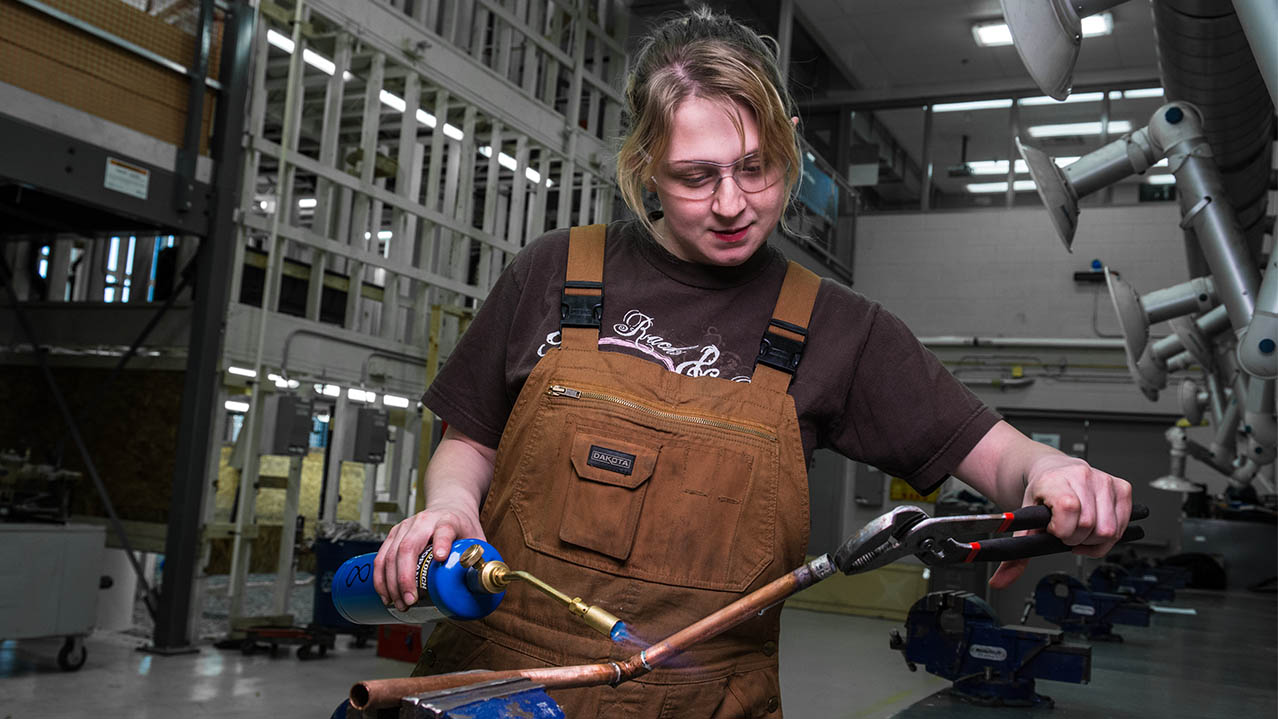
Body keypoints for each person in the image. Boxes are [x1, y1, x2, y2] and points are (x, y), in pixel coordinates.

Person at [373, 7, 1133, 717]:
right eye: (696, 176)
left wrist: (1049, 471)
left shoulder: (839, 329)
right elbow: (469, 439)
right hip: (494, 688)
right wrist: (449, 505)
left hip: (703, 701)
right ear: (644, 168)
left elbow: (998, 456)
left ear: (791, 142)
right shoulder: (554, 271)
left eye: (757, 166)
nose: (733, 202)